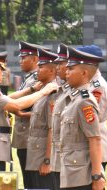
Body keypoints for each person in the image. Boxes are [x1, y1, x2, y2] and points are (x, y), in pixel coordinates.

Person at [0, 51, 58, 189]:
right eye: (1, 69)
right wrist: (43, 92)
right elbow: (16, 105)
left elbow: (8, 98)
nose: (3, 73)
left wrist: (32, 89)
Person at [59, 46, 105, 190]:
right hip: (71, 170)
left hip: (81, 175)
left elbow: (95, 139)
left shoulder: (84, 101)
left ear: (84, 73)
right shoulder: (75, 97)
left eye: (71, 69)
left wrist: (97, 176)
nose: (66, 72)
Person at [11, 41, 50, 189]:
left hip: (32, 136)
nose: (20, 61)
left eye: (23, 58)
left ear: (34, 59)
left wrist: (18, 111)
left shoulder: (37, 79)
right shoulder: (30, 79)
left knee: (34, 182)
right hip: (25, 136)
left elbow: (36, 109)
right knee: (29, 182)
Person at [25, 48, 58, 190]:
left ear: (51, 71)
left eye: (41, 67)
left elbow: (52, 129)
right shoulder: (42, 90)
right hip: (35, 152)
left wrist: (47, 160)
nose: (37, 70)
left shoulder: (53, 93)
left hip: (42, 155)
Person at [76, 45, 107, 172]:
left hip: (97, 146)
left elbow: (94, 118)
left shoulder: (98, 86)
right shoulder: (87, 82)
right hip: (88, 144)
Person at [50, 43, 71, 190]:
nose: (57, 68)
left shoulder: (76, 93)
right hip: (58, 151)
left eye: (61, 64)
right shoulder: (62, 89)